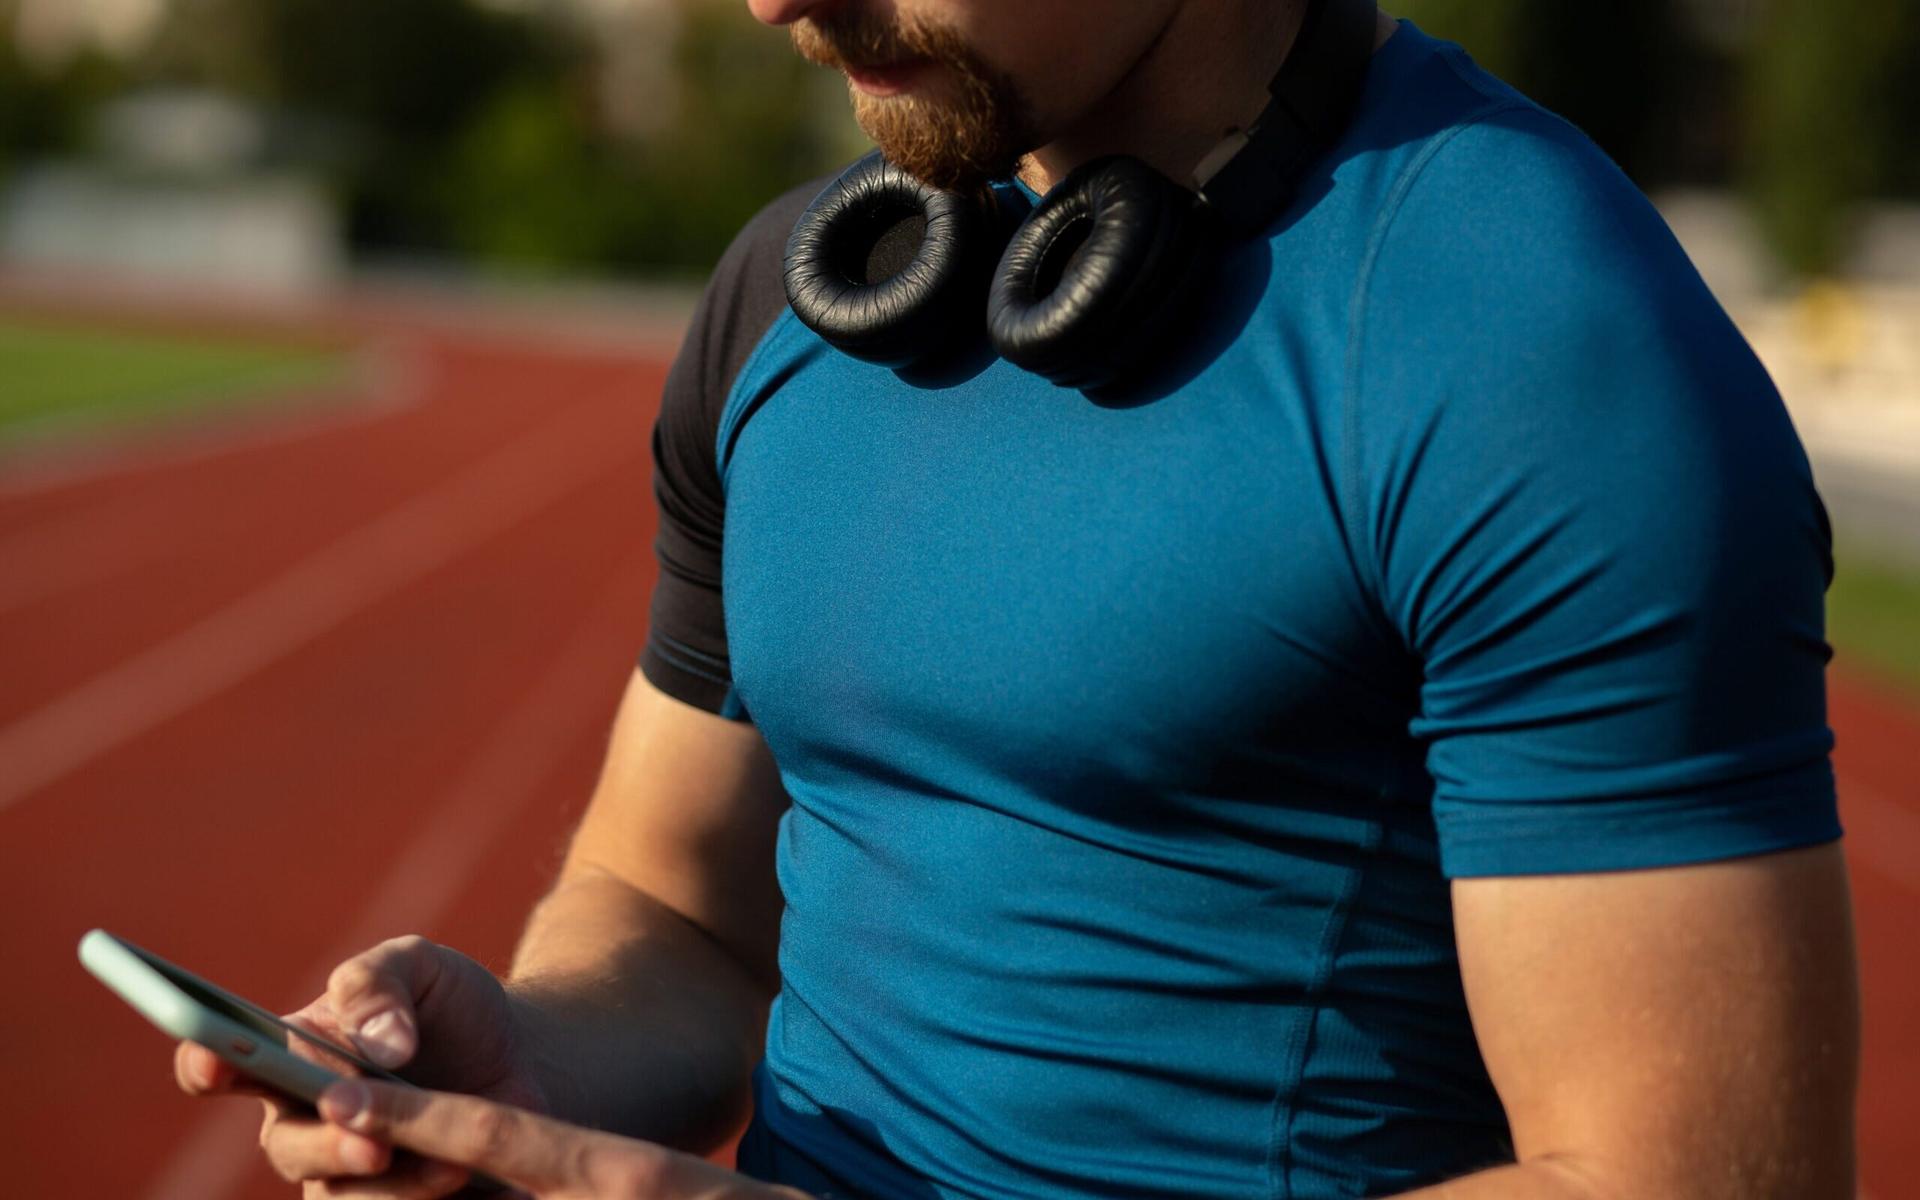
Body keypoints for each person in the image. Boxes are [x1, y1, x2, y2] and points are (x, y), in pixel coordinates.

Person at [176, 0, 1863, 1196]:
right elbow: (675, 910)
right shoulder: (806, 290)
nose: (778, 1)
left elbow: (1707, 1178)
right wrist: (523, 1062)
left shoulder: (1533, 349)